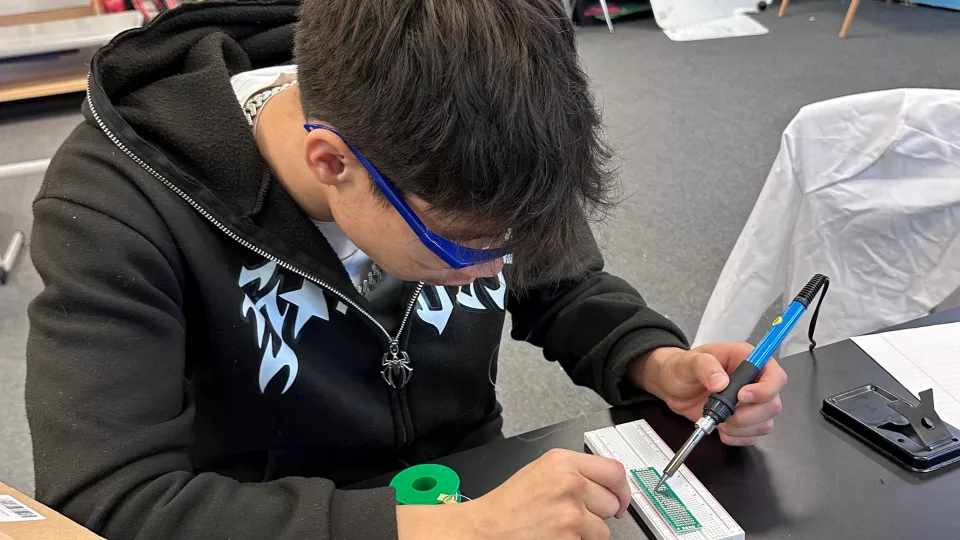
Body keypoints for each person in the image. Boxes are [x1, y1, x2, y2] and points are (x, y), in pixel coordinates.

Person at [25, 1, 787, 539]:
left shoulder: (479, 140)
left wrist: (651, 359)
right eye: (464, 248)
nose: (498, 265)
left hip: (473, 480)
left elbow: (562, 282)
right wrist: (432, 530)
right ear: (333, 162)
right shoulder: (117, 202)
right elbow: (112, 500)